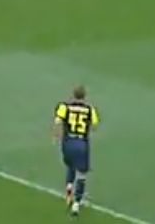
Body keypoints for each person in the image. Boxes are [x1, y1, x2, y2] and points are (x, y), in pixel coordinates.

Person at [54, 85, 99, 216]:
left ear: (73, 95)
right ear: (84, 97)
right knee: (81, 174)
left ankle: (69, 186)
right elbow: (94, 126)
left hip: (67, 142)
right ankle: (76, 204)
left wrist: (57, 136)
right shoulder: (89, 110)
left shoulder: (64, 107)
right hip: (81, 143)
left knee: (71, 165)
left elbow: (57, 122)